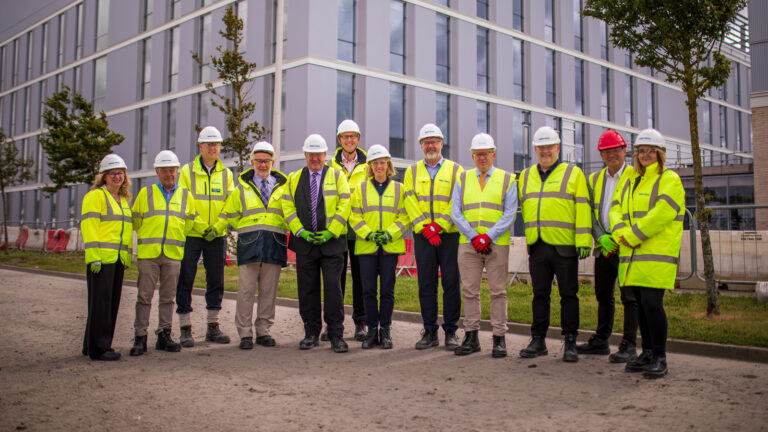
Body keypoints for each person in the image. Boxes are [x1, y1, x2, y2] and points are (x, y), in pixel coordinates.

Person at [611, 128, 684, 379]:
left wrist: (632, 236)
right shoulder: (632, 180)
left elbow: (661, 214)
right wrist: (619, 232)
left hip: (656, 255)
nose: (645, 155)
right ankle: (648, 352)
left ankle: (660, 356)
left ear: (660, 153)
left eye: (651, 151)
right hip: (633, 256)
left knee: (653, 304)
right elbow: (616, 208)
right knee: (641, 306)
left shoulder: (669, 179)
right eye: (641, 151)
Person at [518, 126, 592, 362]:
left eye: (549, 147)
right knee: (539, 294)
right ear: (535, 150)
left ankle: (570, 341)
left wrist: (583, 239)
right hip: (538, 244)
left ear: (558, 148)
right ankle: (538, 340)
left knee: (568, 294)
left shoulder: (573, 173)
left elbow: (583, 207)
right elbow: (525, 207)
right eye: (541, 148)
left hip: (564, 245)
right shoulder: (526, 175)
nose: (545, 151)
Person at [282, 134, 351, 353]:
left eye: (318, 154)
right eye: (311, 154)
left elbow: (345, 204)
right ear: (305, 155)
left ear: (325, 155)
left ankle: (336, 334)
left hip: (332, 244)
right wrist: (300, 231)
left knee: (333, 289)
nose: (315, 158)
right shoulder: (294, 178)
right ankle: (311, 332)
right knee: (307, 290)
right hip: (305, 244)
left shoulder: (337, 176)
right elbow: (287, 206)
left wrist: (331, 232)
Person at [450, 133, 517, 358]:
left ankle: (499, 338)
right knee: (470, 291)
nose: (482, 158)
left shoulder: (507, 179)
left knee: (498, 291)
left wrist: (488, 236)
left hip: (496, 244)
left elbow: (510, 214)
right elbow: (455, 212)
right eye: (478, 154)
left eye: (486, 153)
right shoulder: (463, 178)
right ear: (472, 155)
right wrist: (473, 237)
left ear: (493, 154)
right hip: (469, 244)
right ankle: (471, 337)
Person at [129, 150, 201, 356]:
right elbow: (136, 221)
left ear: (177, 171)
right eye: (164, 170)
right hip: (149, 254)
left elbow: (189, 224)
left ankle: (164, 334)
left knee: (168, 297)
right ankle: (140, 337)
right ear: (157, 172)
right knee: (144, 296)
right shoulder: (145, 194)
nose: (169, 174)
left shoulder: (186, 196)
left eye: (172, 170)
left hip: (172, 254)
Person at [576, 130, 640, 363]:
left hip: (627, 246)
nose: (612, 155)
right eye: (606, 151)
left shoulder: (636, 175)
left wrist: (621, 237)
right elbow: (590, 212)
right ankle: (602, 340)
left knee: (630, 297)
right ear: (601, 154)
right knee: (603, 294)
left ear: (624, 151)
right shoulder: (594, 179)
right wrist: (601, 237)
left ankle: (629, 344)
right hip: (604, 247)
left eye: (616, 150)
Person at [403, 123, 463, 351]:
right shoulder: (411, 172)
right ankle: (429, 331)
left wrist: (439, 225)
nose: (430, 146)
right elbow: (409, 201)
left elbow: (457, 201)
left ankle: (451, 332)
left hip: (449, 235)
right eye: (426, 142)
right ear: (421, 145)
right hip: (423, 236)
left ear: (441, 143)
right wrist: (425, 227)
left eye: (434, 141)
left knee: (451, 283)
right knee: (426, 284)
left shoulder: (456, 170)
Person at [223, 142, 288, 350]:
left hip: (274, 244)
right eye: (258, 161)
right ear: (252, 162)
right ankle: (244, 333)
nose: (262, 164)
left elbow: (289, 214)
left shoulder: (283, 189)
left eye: (266, 161)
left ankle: (263, 331)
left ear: (273, 162)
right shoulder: (241, 189)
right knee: (246, 291)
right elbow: (231, 215)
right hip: (249, 244)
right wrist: (247, 229)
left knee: (269, 291)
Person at [175, 126, 235, 346]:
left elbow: (230, 204)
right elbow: (184, 203)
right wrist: (202, 227)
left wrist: (218, 226)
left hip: (217, 235)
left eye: (216, 144)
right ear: (200, 146)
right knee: (186, 278)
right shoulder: (186, 171)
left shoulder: (227, 174)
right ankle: (185, 328)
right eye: (209, 144)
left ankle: (213, 326)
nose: (213, 148)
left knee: (216, 280)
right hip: (192, 234)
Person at [348, 144, 410, 349]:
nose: (379, 166)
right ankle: (371, 330)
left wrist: (389, 233)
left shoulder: (400, 189)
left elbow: (404, 216)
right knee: (368, 291)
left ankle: (386, 331)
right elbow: (354, 215)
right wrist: (369, 234)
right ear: (370, 167)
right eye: (375, 163)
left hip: (389, 247)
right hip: (367, 247)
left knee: (387, 292)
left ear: (388, 165)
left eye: (382, 162)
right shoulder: (360, 189)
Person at [80, 154, 133, 361]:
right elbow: (89, 227)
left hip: (117, 259)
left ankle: (90, 345)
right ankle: (100, 348)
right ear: (104, 176)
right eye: (112, 173)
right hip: (101, 260)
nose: (117, 177)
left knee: (109, 305)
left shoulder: (123, 200)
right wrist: (94, 257)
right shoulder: (96, 196)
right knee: (101, 305)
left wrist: (126, 257)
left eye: (120, 173)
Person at [328, 119, 368, 342]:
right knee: (336, 279)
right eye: (345, 136)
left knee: (361, 279)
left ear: (358, 139)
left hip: (360, 229)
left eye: (353, 136)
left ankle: (361, 323)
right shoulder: (330, 166)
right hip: (338, 229)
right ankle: (334, 324)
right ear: (339, 139)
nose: (349, 140)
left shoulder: (369, 166)